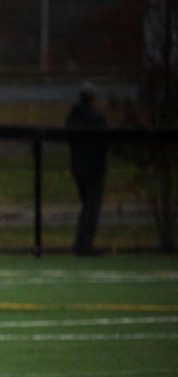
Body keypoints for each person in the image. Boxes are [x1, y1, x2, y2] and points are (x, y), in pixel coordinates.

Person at [66, 82, 109, 256]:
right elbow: (104, 143)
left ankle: (81, 242)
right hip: (94, 168)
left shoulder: (73, 116)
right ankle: (84, 244)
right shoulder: (96, 117)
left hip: (78, 167)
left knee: (87, 206)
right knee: (91, 207)